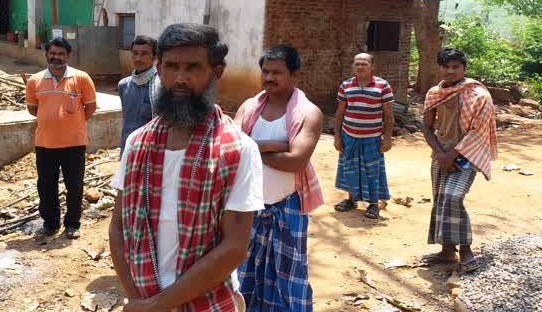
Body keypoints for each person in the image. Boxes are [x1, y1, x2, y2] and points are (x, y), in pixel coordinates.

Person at [109, 23, 264, 312]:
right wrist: (136, 299)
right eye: (171, 67)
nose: (180, 78)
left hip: (208, 303)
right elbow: (118, 227)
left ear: (216, 73)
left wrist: (157, 305)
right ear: (159, 69)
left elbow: (234, 248)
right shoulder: (137, 142)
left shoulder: (238, 150)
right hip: (143, 298)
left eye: (193, 67)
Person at [235, 44, 324, 312]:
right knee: (244, 271)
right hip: (248, 206)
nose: (269, 78)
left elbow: (296, 161)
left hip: (288, 206)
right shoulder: (250, 107)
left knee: (288, 275)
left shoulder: (309, 113)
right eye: (265, 71)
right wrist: (276, 145)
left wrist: (255, 147)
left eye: (277, 72)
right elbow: (233, 149)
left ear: (295, 74)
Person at [420, 48, 497, 275]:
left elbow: (477, 131)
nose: (450, 71)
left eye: (455, 67)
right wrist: (440, 154)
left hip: (467, 156)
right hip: (440, 154)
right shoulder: (435, 93)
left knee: (453, 197)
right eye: (446, 66)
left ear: (464, 68)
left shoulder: (479, 95)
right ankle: (446, 251)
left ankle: (466, 251)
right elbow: (426, 125)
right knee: (441, 200)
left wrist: (450, 156)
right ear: (440, 67)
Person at [26, 37, 97, 239]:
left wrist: (72, 122)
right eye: (53, 53)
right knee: (46, 185)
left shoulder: (82, 78)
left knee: (74, 185)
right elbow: (33, 109)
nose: (56, 57)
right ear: (47, 54)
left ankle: (72, 224)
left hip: (74, 143)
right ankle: (50, 224)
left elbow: (90, 108)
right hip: (45, 143)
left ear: (68, 56)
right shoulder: (35, 81)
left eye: (61, 54)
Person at [333, 53, 394, 220]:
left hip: (372, 138)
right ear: (353, 66)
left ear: (372, 66)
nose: (360, 67)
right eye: (357, 64)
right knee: (349, 169)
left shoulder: (383, 86)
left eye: (364, 64)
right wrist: (337, 136)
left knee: (372, 171)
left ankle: (373, 204)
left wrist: (387, 137)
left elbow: (388, 114)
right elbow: (340, 112)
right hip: (349, 137)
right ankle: (351, 200)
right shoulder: (346, 86)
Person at [118, 35, 161, 154]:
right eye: (135, 53)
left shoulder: (162, 86)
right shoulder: (124, 85)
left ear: (155, 57)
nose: (138, 58)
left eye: (144, 54)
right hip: (127, 146)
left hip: (151, 148)